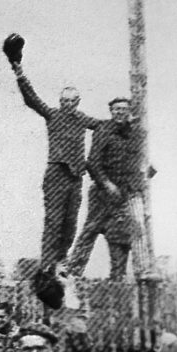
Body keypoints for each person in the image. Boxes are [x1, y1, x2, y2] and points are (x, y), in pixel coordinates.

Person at [7, 57, 101, 273]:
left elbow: (101, 126)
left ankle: (60, 261)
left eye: (71, 101)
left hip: (75, 176)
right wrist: (19, 72)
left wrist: (125, 124)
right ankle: (48, 264)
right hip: (57, 173)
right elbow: (32, 99)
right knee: (54, 222)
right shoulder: (53, 114)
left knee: (70, 224)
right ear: (60, 102)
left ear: (77, 102)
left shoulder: (81, 118)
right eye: (64, 101)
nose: (67, 105)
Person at [68, 97, 155, 280]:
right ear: (111, 111)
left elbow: (142, 161)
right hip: (102, 191)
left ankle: (125, 274)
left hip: (126, 192)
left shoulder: (137, 133)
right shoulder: (103, 130)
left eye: (123, 109)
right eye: (116, 109)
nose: (120, 112)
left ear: (129, 111)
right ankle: (73, 271)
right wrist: (106, 184)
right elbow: (92, 163)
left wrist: (142, 178)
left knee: (126, 233)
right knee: (91, 229)